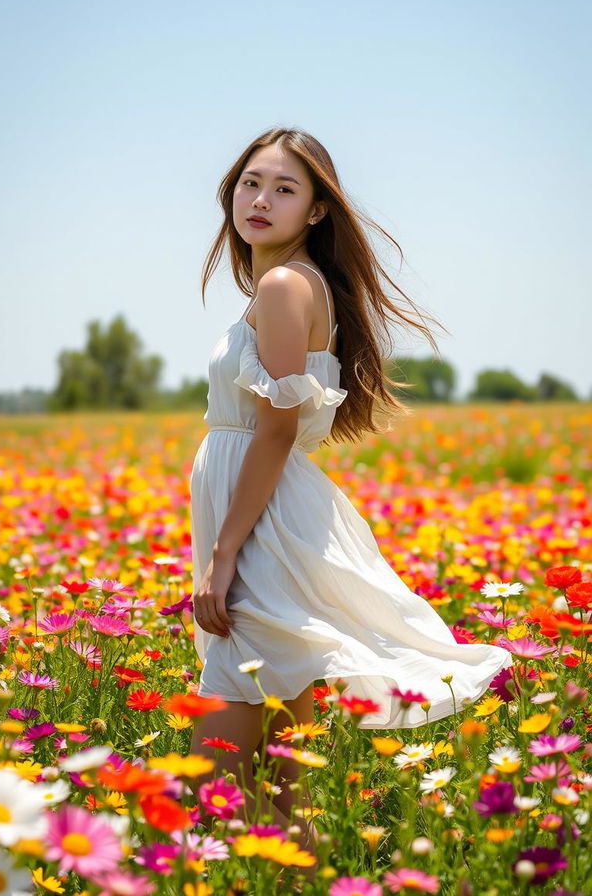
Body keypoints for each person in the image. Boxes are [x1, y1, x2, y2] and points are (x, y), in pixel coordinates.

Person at [188, 126, 512, 839]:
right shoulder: (299, 283)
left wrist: (223, 555)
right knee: (278, 796)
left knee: (208, 799)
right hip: (267, 515)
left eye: (284, 188)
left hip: (260, 526)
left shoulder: (281, 285)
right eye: (250, 182)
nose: (261, 199)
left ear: (315, 211)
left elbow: (274, 432)